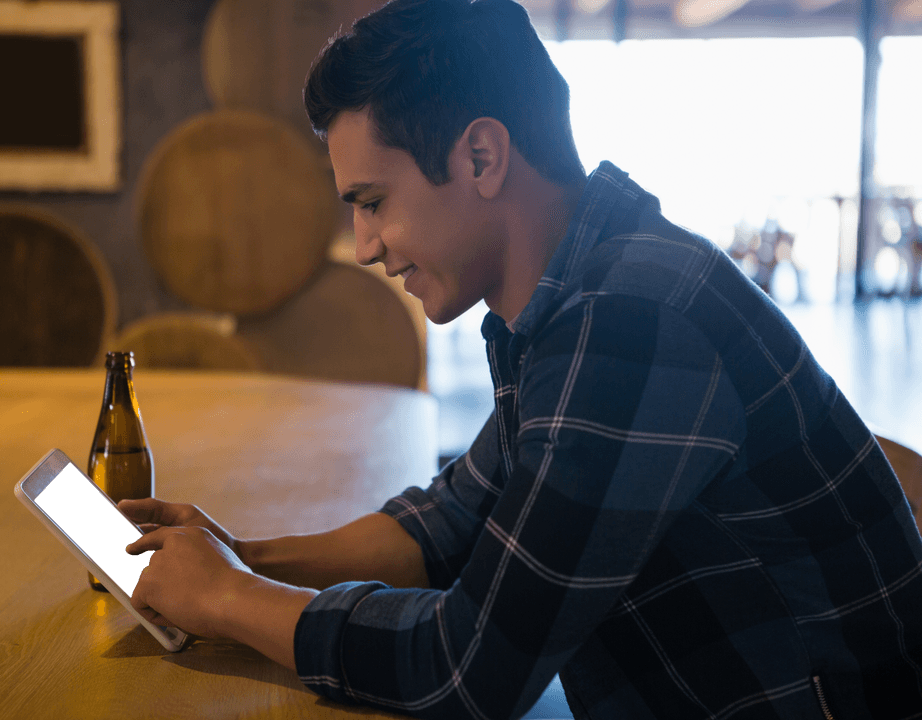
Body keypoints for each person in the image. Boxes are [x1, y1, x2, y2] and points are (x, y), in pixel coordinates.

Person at [122, 0, 922, 717]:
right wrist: (238, 558)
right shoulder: (571, 298)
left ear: (481, 157)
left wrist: (230, 600)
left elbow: (470, 668)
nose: (365, 246)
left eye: (373, 202)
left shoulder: (632, 319)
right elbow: (447, 525)